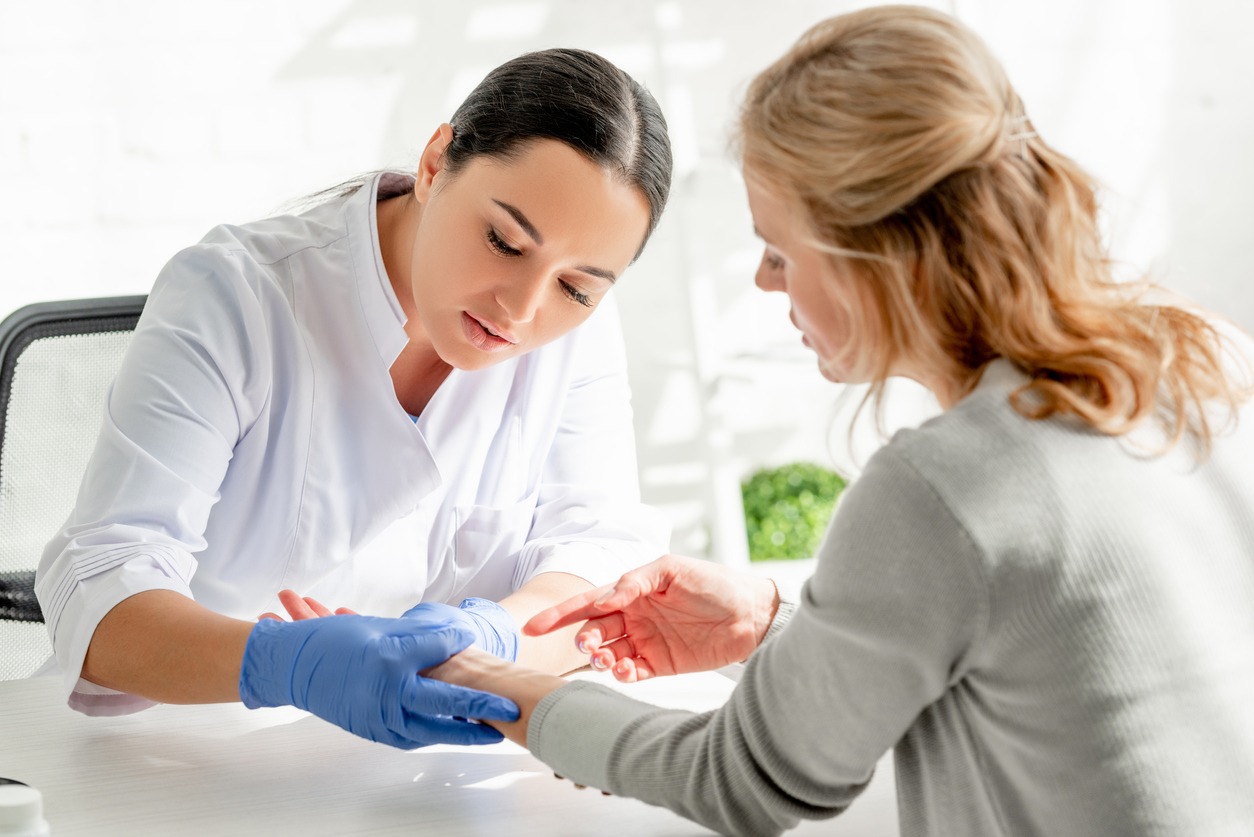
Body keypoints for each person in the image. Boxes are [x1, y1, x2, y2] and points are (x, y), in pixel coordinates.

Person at [411, 6, 1254, 835]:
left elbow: (742, 779)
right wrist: (771, 621)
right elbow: (1031, 648)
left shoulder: (944, 487)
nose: (765, 282)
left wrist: (490, 681)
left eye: (780, 250)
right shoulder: (1210, 359)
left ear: (873, 258)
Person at [34, 47, 674, 748]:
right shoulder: (234, 296)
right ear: (434, 163)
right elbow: (100, 586)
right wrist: (282, 665)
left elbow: (600, 553)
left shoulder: (578, 333)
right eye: (504, 240)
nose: (522, 308)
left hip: (419, 776)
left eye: (576, 287)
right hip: (182, 756)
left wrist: (492, 635)